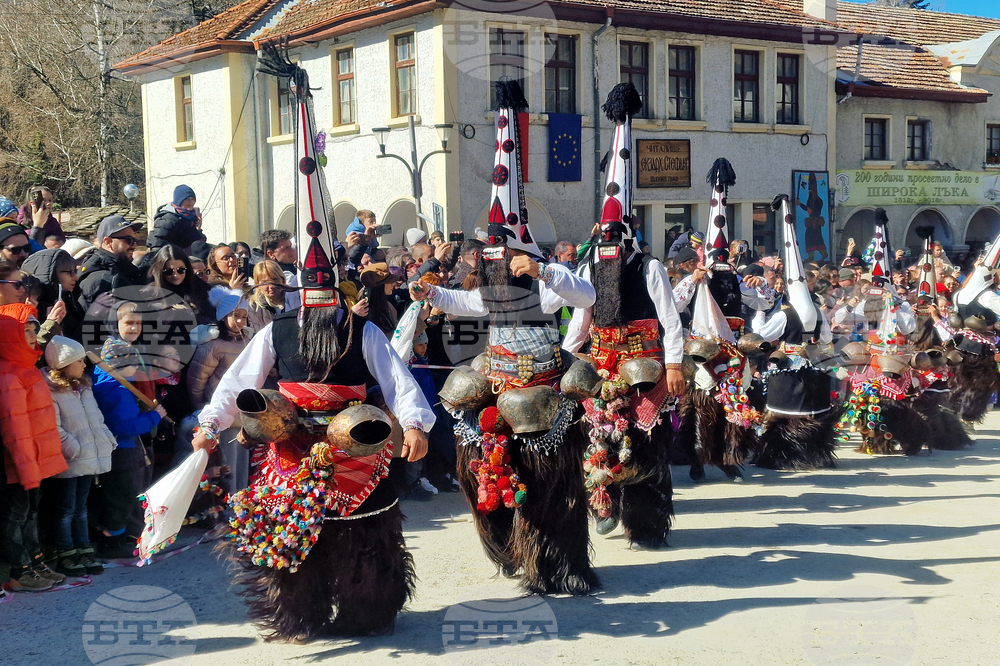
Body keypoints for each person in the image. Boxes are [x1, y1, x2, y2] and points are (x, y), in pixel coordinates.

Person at [193, 53, 434, 641]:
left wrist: (414, 422)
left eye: (330, 290)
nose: (323, 300)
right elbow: (239, 381)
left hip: (358, 441)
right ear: (305, 290)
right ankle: (299, 611)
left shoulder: (363, 329)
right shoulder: (278, 331)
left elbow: (397, 377)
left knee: (364, 534)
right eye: (315, 291)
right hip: (294, 440)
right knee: (295, 531)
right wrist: (211, 421)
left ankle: (367, 609)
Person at [411, 79, 598, 595]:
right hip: (495, 390)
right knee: (487, 474)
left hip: (542, 396)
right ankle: (510, 548)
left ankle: (559, 560)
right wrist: (430, 290)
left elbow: (585, 297)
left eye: (500, 257)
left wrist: (543, 273)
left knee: (549, 484)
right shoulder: (491, 295)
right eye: (489, 257)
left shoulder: (546, 287)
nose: (494, 264)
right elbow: (459, 302)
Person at [562, 82, 685, 550]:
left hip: (645, 368)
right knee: (596, 435)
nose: (610, 237)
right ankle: (603, 501)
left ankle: (648, 520)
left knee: (647, 442)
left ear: (628, 230)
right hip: (602, 366)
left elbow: (671, 320)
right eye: (605, 231)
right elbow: (583, 314)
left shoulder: (649, 266)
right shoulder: (592, 266)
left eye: (616, 230)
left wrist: (673, 365)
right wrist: (568, 355)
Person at [749, 195, 837, 469]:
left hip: (787, 367)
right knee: (813, 412)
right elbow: (826, 340)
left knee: (781, 415)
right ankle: (815, 455)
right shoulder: (819, 311)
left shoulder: (785, 314)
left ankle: (781, 455)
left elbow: (762, 334)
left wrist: (761, 310)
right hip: (814, 365)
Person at [0, 303, 68, 591]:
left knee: (31, 513)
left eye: (32, 329)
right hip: (19, 465)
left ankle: (35, 562)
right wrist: (28, 471)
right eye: (24, 331)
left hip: (33, 463)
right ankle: (19, 569)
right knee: (16, 516)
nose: (31, 335)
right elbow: (16, 430)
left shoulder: (25, 366)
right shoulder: (9, 375)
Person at [41, 336, 116, 576]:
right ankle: (66, 554)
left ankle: (84, 549)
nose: (85, 365)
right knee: (65, 509)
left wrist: (106, 440)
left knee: (81, 506)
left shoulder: (84, 387)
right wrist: (74, 449)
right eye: (79, 361)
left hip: (88, 457)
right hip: (69, 458)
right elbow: (53, 427)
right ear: (64, 364)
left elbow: (96, 419)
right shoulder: (50, 389)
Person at [89, 335, 166, 559]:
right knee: (122, 497)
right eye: (132, 362)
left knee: (118, 496)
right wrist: (154, 416)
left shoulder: (105, 383)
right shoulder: (118, 391)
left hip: (115, 449)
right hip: (123, 450)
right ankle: (113, 542)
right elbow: (124, 426)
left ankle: (119, 537)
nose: (136, 367)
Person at [187, 287, 251, 409]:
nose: (240, 320)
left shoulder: (247, 341)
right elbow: (196, 380)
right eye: (235, 315)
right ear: (223, 316)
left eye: (244, 317)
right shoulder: (212, 345)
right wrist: (200, 407)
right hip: (217, 404)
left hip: (242, 402)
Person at [77, 215, 145, 311]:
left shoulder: (124, 271)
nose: (134, 245)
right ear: (108, 241)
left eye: (135, 240)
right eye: (128, 240)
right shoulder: (100, 279)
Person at [21, 248, 85, 343]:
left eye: (75, 272)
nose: (76, 277)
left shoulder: (70, 298)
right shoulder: (35, 309)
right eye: (70, 272)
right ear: (52, 274)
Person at [147, 244, 215, 325]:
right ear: (160, 272)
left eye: (181, 270)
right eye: (169, 271)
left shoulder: (200, 288)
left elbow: (214, 320)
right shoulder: (150, 294)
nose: (176, 275)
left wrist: (188, 314)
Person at [146, 184, 207, 256]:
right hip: (173, 259)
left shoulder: (190, 217)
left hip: (186, 257)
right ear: (179, 200)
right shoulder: (168, 218)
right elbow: (158, 242)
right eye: (187, 199)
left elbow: (195, 241)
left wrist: (198, 228)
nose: (190, 202)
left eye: (192, 199)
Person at [245, 260, 287, 334]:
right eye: (265, 283)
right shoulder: (251, 308)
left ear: (283, 280)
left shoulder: (295, 301)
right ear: (257, 284)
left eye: (275, 279)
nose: (271, 286)